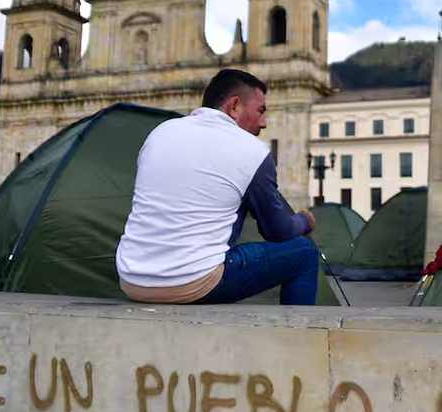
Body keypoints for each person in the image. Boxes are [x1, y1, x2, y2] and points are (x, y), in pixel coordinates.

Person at [116, 69, 319, 304]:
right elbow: (277, 230)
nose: (264, 123)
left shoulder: (159, 133)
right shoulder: (253, 151)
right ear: (235, 106)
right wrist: (304, 221)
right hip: (192, 282)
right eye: (260, 111)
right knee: (304, 253)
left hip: (131, 279)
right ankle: (298, 328)